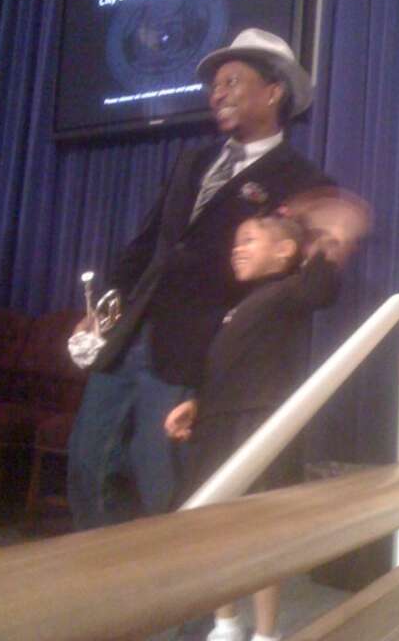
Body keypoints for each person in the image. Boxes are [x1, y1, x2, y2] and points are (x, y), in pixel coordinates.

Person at [67, 28, 334, 529]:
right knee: (87, 462)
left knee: (162, 480)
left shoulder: (303, 179)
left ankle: (177, 602)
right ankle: (100, 582)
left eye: (232, 81)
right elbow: (146, 243)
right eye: (214, 85)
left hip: (194, 352)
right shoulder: (192, 160)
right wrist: (103, 310)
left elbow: (310, 287)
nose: (217, 93)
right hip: (130, 336)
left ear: (273, 92)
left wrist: (333, 239)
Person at [165, 211, 344, 641]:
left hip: (260, 421)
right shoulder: (238, 305)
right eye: (236, 242)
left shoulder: (290, 292)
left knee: (261, 529)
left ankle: (266, 632)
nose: (236, 248)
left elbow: (323, 287)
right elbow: (224, 365)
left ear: (284, 251)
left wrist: (329, 240)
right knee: (216, 526)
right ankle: (225, 622)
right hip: (218, 421)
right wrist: (196, 402)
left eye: (249, 240)